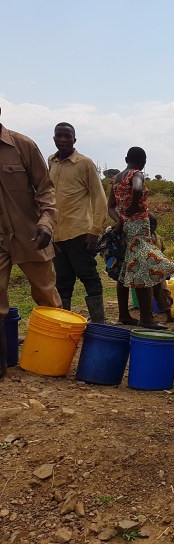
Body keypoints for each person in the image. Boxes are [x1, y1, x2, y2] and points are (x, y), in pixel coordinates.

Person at [0, 109, 62, 378]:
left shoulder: (22, 145)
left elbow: (46, 189)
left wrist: (46, 222)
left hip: (31, 235)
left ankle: (54, 357)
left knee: (46, 295)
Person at [108, 146, 174, 328]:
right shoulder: (136, 174)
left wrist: (121, 219)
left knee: (125, 269)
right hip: (138, 227)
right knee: (143, 268)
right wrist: (134, 207)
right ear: (144, 163)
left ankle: (124, 315)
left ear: (126, 159)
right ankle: (146, 318)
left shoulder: (115, 179)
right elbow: (138, 189)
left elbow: (110, 207)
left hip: (126, 228)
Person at [48, 122, 108, 322]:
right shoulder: (51, 161)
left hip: (80, 232)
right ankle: (65, 321)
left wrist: (95, 230)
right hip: (57, 234)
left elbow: (99, 198)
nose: (63, 140)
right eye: (59, 136)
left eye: (67, 136)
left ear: (75, 139)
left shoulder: (85, 163)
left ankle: (98, 322)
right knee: (63, 281)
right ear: (54, 138)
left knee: (88, 276)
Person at [149, 213, 174, 323]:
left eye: (154, 225)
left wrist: (166, 269)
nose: (152, 227)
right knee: (149, 295)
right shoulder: (143, 239)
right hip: (147, 272)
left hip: (159, 271)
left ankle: (169, 315)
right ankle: (150, 317)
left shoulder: (158, 238)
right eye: (150, 225)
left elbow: (162, 253)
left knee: (164, 293)